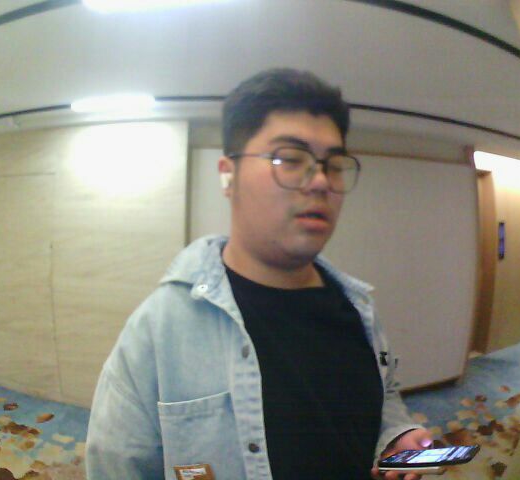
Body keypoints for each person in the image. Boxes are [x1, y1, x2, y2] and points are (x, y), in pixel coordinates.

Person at [86, 68, 433, 480]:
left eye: (334, 164)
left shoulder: (360, 309)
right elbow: (116, 468)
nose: (321, 181)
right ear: (228, 175)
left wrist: (395, 435)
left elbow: (384, 394)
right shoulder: (160, 328)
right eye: (290, 159)